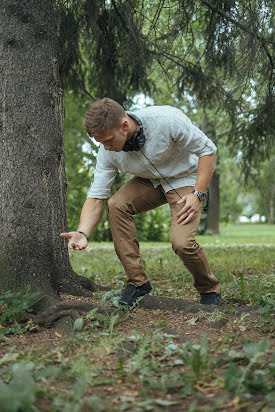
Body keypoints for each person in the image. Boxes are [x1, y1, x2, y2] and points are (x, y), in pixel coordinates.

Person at [60, 98, 221, 307]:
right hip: (149, 182)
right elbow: (97, 196)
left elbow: (208, 150)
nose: (106, 148)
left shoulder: (167, 120)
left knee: (182, 243)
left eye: (108, 140)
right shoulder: (107, 152)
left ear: (124, 125)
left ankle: (209, 288)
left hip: (185, 179)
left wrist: (198, 193)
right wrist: (82, 232)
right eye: (101, 143)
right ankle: (138, 283)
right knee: (116, 204)